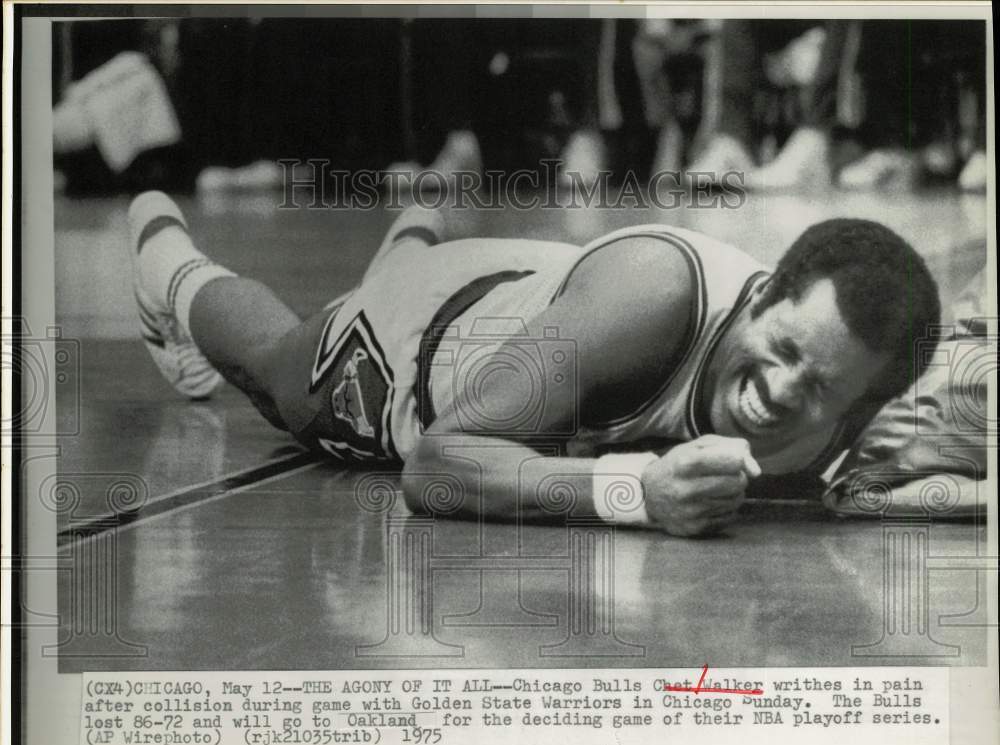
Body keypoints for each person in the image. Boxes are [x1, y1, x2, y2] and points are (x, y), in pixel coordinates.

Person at [129, 191, 940, 537]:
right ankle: (169, 263)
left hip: (543, 304)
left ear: (859, 404)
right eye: (787, 351)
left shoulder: (861, 403)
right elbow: (438, 465)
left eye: (823, 388)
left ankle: (410, 240)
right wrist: (633, 495)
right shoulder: (657, 298)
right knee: (279, 375)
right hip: (423, 348)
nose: (781, 393)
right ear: (764, 298)